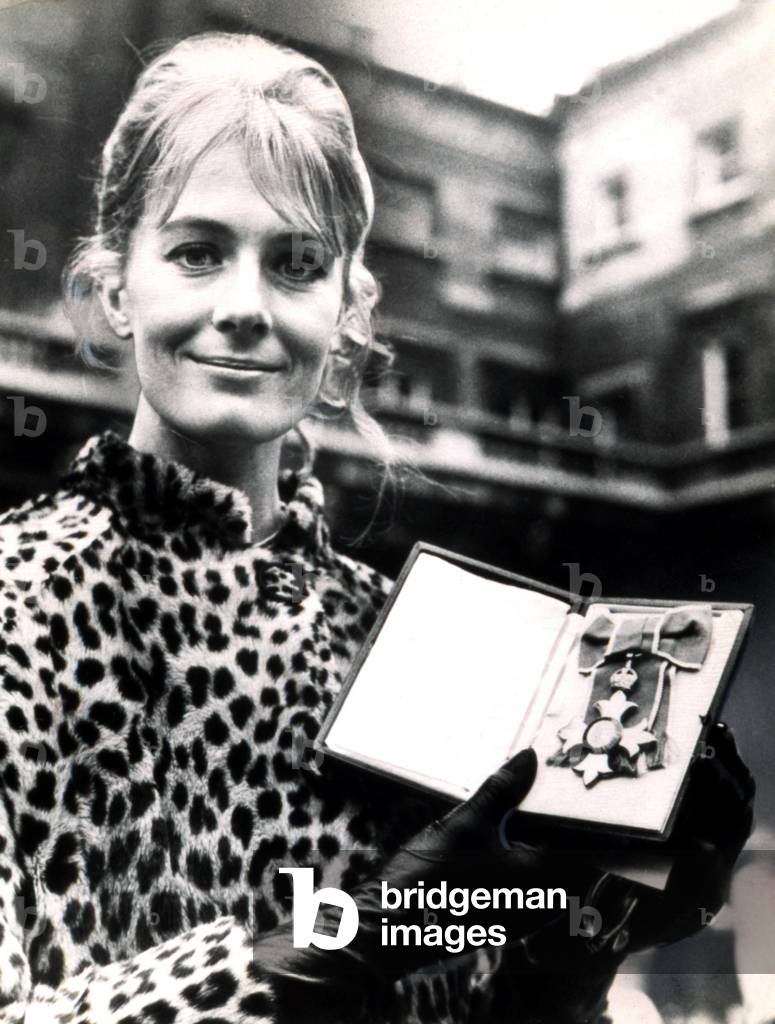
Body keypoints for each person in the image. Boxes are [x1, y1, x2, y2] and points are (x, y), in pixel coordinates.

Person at [0, 32, 754, 1024]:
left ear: (345, 313)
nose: (244, 306)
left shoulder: (394, 633)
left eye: (297, 264)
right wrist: (364, 935)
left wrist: (582, 937)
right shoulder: (18, 598)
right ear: (114, 288)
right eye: (195, 251)